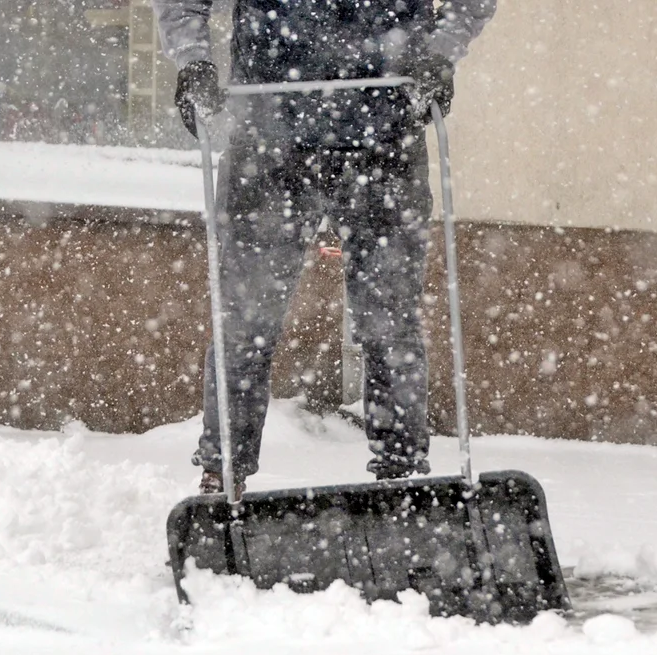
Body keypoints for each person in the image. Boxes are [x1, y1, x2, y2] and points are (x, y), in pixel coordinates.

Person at [152, 0, 497, 493]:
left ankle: (400, 484)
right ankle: (222, 475)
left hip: (385, 142)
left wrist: (438, 54)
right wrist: (194, 62)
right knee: (245, 321)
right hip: (269, 144)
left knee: (390, 322)